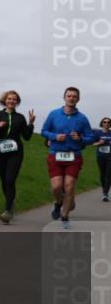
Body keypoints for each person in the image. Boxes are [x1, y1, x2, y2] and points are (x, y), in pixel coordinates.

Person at [40, 87, 96, 229]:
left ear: (78, 99)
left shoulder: (82, 118)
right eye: (69, 95)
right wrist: (54, 136)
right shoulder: (54, 114)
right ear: (64, 97)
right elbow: (44, 131)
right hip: (55, 154)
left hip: (74, 156)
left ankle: (65, 217)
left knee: (69, 186)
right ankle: (60, 203)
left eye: (74, 96)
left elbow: (91, 138)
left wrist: (81, 138)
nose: (71, 98)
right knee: (56, 187)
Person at [0, 90, 35, 223]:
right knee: (4, 181)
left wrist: (30, 124)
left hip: (16, 152)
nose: (12, 101)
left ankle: (7, 211)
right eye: (9, 99)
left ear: (17, 102)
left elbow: (27, 137)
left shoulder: (20, 117)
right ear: (5, 100)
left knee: (10, 179)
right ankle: (10, 202)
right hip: (1, 151)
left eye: (14, 99)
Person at [95, 117, 111, 202]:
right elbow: (92, 143)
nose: (106, 124)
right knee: (102, 175)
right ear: (102, 123)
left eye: (108, 122)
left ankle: (105, 194)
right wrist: (99, 143)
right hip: (100, 156)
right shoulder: (98, 133)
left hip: (110, 157)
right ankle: (104, 189)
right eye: (105, 122)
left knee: (108, 175)